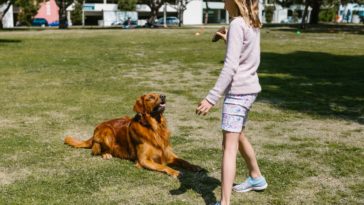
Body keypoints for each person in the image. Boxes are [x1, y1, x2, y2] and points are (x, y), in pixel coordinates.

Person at [195, 0, 267, 204]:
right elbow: (245, 55)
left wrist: (211, 97)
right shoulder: (251, 22)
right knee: (237, 135)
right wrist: (229, 41)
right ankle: (256, 177)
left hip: (238, 93)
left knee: (228, 147)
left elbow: (230, 67)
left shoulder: (237, 24)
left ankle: (224, 202)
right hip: (250, 89)